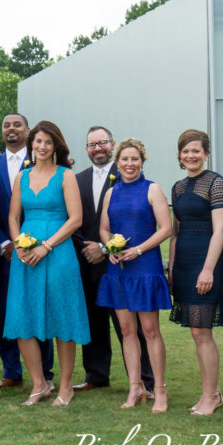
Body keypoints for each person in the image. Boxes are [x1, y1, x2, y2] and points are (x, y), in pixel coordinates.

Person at [4, 121, 89, 406]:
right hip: (25, 257)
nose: (41, 147)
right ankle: (39, 383)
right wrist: (19, 245)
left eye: (47, 143)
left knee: (62, 317)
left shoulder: (66, 176)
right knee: (21, 315)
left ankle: (66, 386)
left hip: (59, 253)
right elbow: (13, 218)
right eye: (37, 142)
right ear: (32, 144)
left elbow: (75, 219)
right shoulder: (21, 177)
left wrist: (46, 246)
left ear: (56, 147)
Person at [72, 126, 154, 395]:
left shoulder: (128, 174)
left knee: (130, 325)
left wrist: (105, 248)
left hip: (122, 261)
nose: (98, 148)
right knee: (93, 320)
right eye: (92, 144)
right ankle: (96, 375)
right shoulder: (77, 179)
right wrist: (88, 248)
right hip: (87, 261)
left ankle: (145, 379)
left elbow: (136, 218)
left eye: (103, 143)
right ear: (86, 149)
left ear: (113, 145)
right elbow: (73, 218)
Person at [96, 138, 172, 412]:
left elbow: (166, 228)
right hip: (118, 267)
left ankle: (159, 390)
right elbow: (104, 227)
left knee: (150, 330)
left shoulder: (152, 189)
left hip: (145, 266)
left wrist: (138, 250)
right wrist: (110, 248)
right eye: (125, 160)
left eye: (135, 159)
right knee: (127, 331)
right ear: (118, 162)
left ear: (142, 161)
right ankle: (135, 387)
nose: (130, 164)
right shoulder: (111, 193)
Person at [167, 129, 223, 416]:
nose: (190, 156)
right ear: (180, 156)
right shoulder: (178, 187)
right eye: (185, 151)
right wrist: (171, 269)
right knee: (196, 331)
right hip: (182, 264)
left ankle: (211, 396)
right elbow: (175, 232)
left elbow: (221, 229)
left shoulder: (216, 183)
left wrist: (208, 269)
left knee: (201, 330)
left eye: (196, 150)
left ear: (206, 153)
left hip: (206, 263)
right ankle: (212, 393)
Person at [0, 113, 54, 390]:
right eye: (6, 125)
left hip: (40, 250)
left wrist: (35, 245)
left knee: (40, 308)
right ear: (2, 131)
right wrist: (5, 243)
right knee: (8, 311)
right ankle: (11, 370)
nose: (11, 129)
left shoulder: (42, 160)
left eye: (17, 125)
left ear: (27, 131)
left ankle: (46, 373)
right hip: (4, 250)